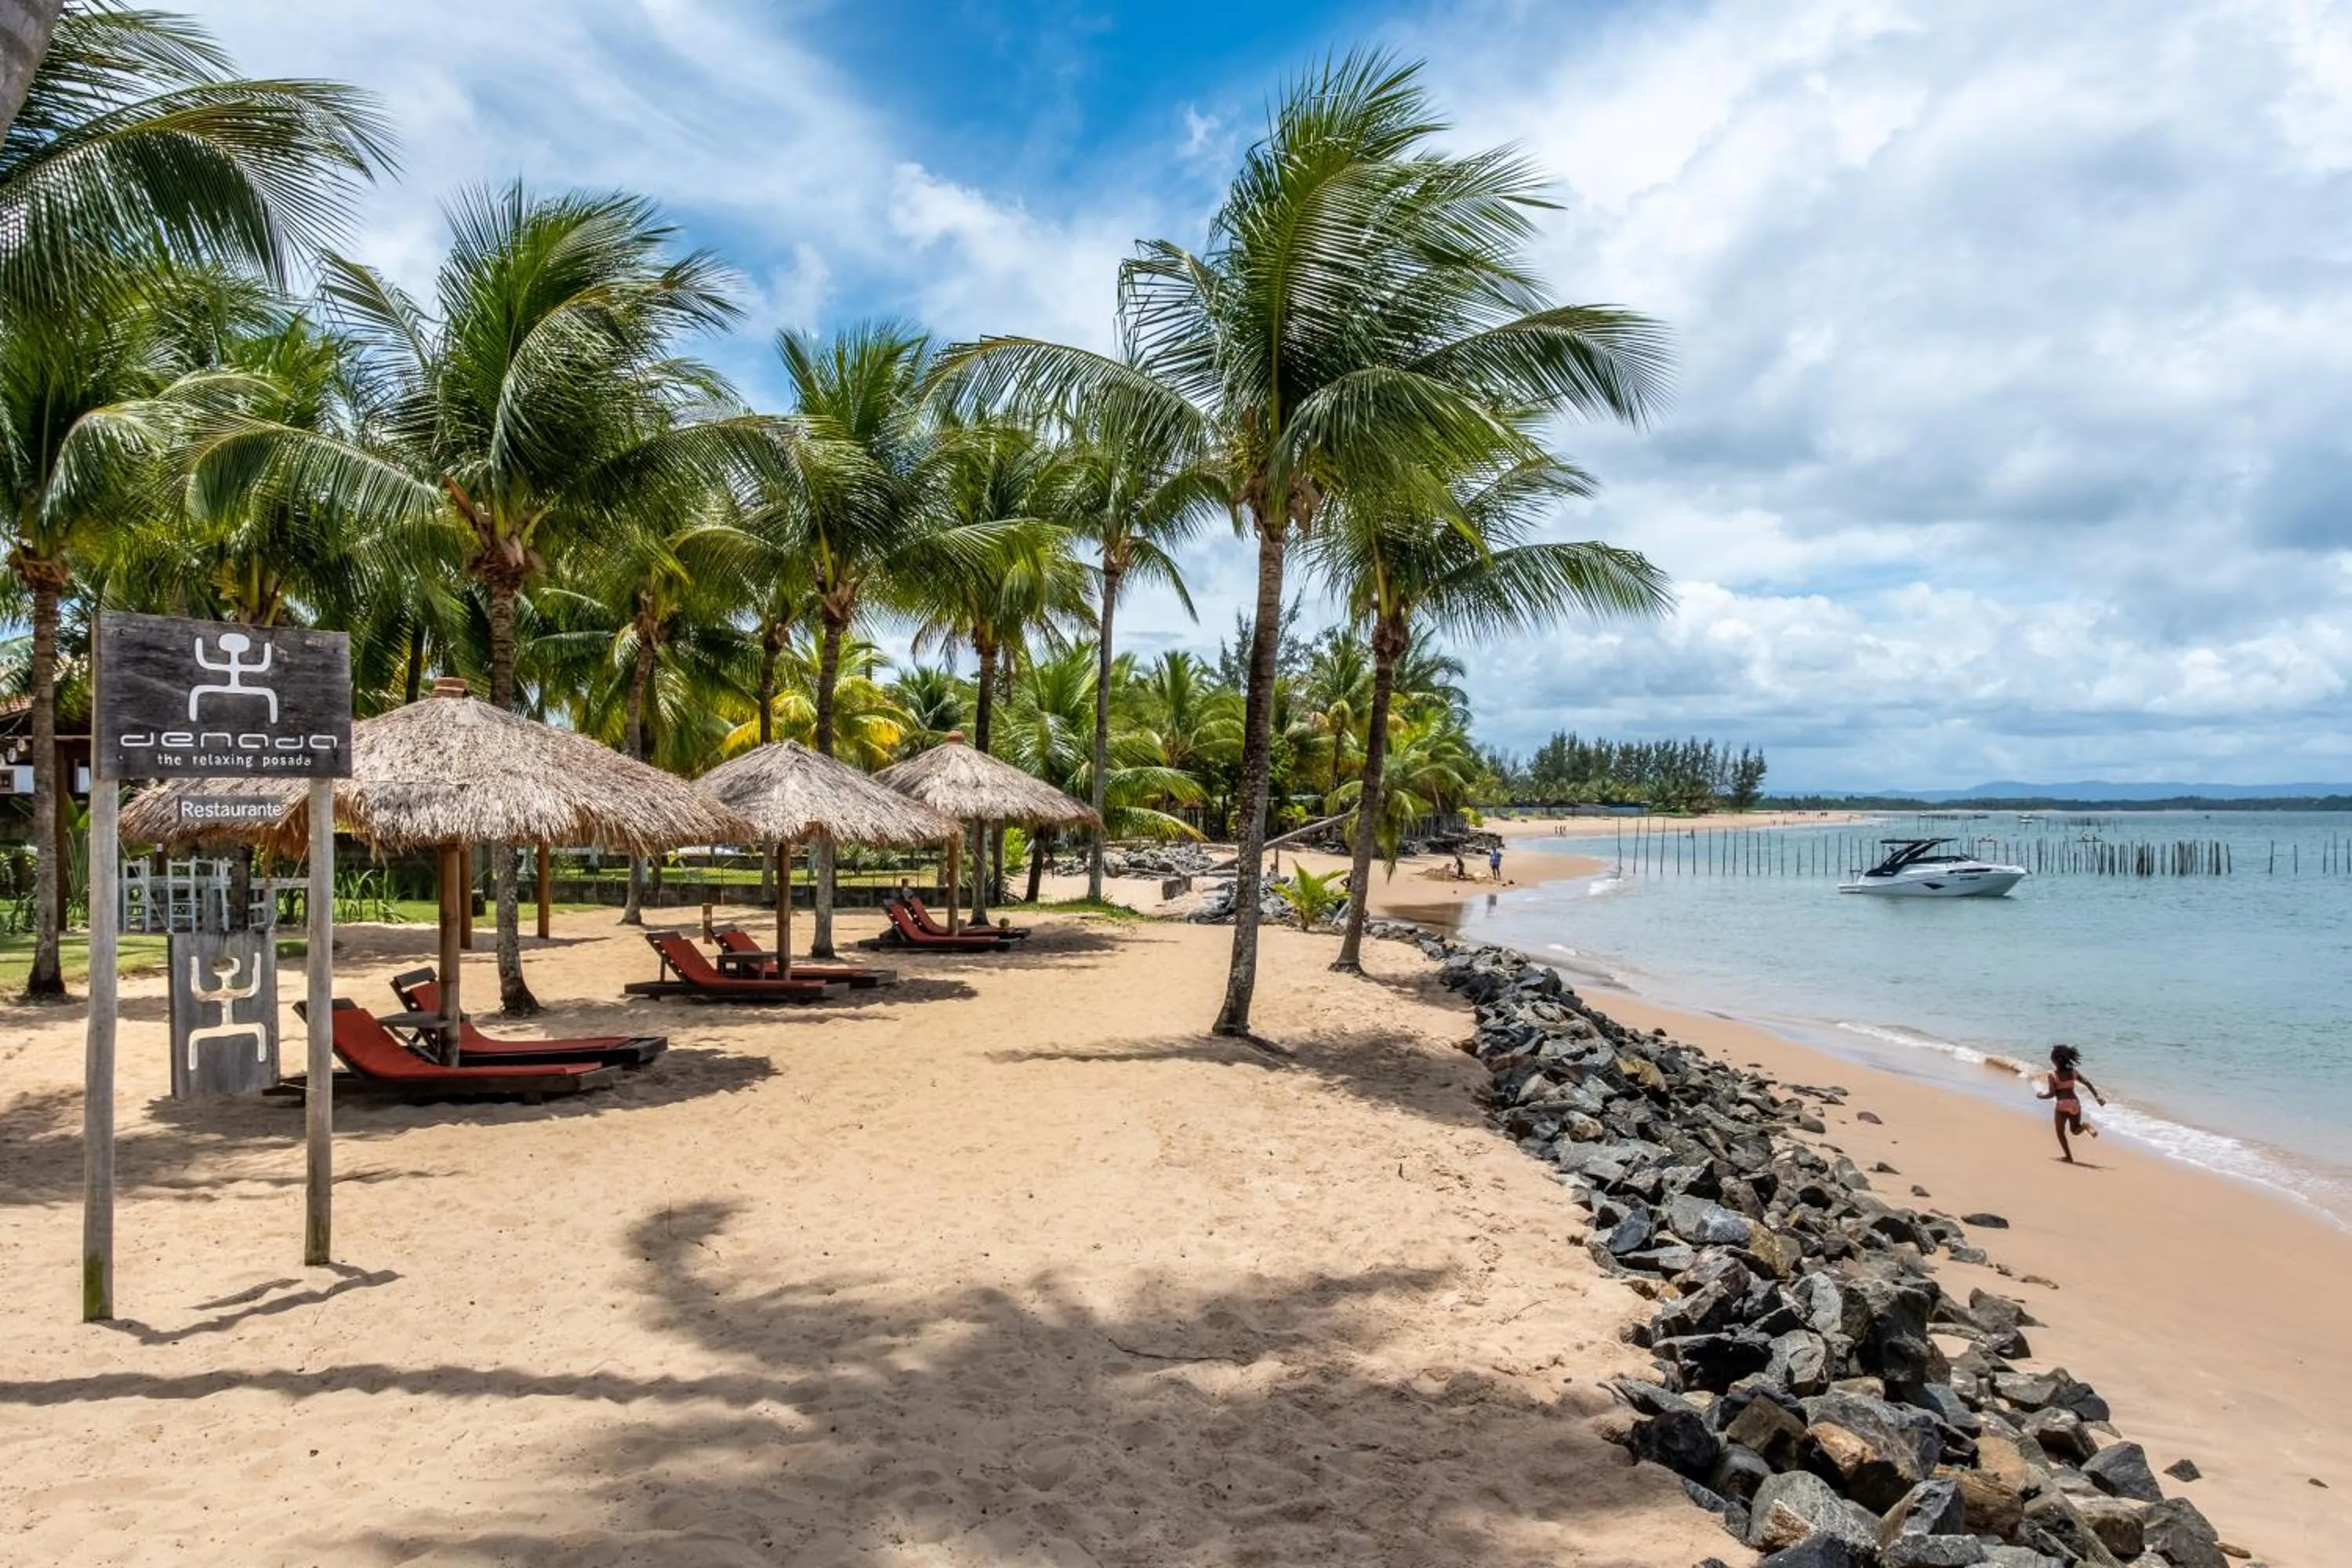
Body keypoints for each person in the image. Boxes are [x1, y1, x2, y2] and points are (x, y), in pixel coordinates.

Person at [2037, 1044, 2107, 1163]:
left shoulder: (2052, 1075)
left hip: (2062, 1105)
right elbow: (2087, 1083)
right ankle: (2085, 1126)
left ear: (2055, 1060)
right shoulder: (2073, 1073)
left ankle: (2068, 1157)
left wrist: (2041, 1096)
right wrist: (2097, 1096)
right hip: (2075, 1103)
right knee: (2075, 1130)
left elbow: (2052, 1094)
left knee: (2060, 1132)